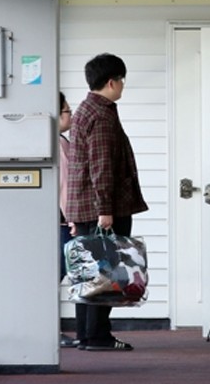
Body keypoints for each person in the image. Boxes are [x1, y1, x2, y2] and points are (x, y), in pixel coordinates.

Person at [65, 53, 148, 351]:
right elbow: (101, 167)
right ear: (111, 82)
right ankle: (97, 336)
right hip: (101, 209)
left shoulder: (86, 109)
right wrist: (106, 211)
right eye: (122, 80)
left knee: (88, 274)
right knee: (107, 270)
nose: (123, 86)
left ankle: (87, 336)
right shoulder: (101, 114)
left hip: (84, 206)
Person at [58, 91, 79, 348]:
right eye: (66, 111)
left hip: (60, 220)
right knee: (57, 272)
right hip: (62, 221)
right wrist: (72, 217)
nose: (70, 115)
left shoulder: (61, 140)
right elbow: (65, 186)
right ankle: (51, 331)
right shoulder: (58, 143)